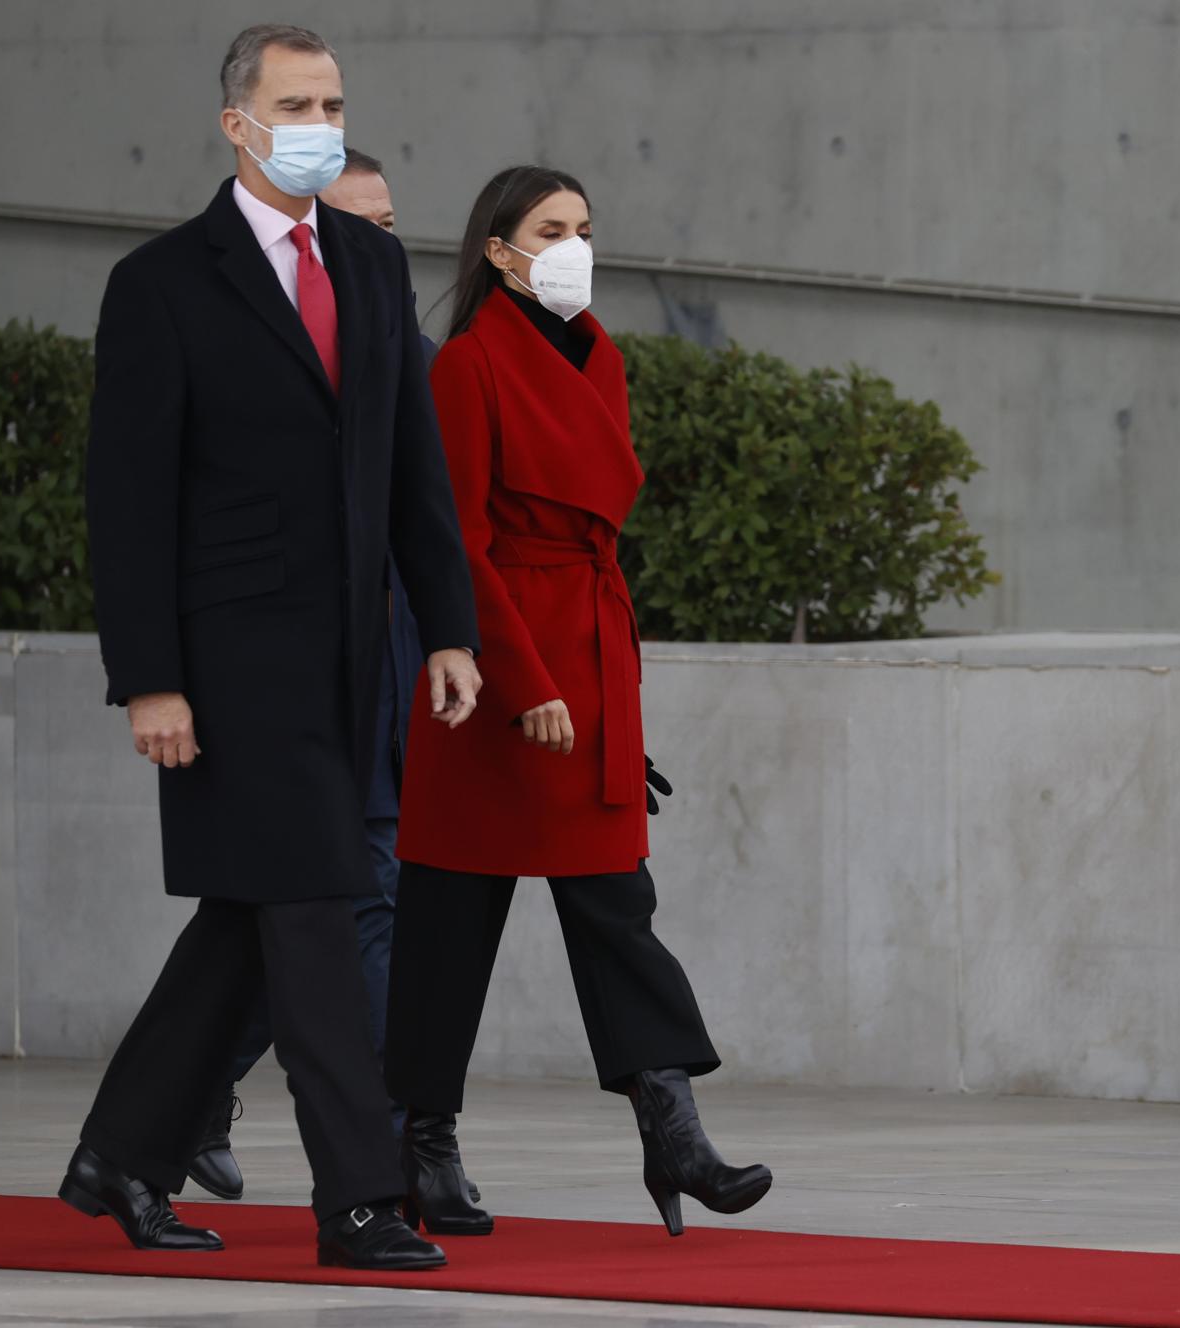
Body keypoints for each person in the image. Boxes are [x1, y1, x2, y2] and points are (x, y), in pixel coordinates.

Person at [62, 24, 482, 1272]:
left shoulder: (363, 258)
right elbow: (125, 500)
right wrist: (148, 675)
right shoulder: (161, 284)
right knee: (312, 911)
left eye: (333, 98)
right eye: (295, 100)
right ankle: (359, 1197)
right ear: (236, 122)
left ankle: (121, 1155)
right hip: (229, 665)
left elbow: (411, 467)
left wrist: (446, 627)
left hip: (353, 657)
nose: (320, 118)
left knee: (245, 920)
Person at [384, 165, 772, 1239]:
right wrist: (522, 680)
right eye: (549, 229)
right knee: (447, 930)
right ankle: (421, 1142)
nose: (572, 246)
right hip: (497, 682)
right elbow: (453, 545)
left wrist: (581, 683)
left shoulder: (601, 357)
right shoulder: (464, 368)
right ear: (497, 250)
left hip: (592, 664)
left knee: (617, 910)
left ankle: (674, 1132)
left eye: (584, 228)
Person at [184, 147, 450, 1203]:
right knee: (326, 900)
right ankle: (390, 1149)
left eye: (390, 224)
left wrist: (454, 647)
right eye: (356, 225)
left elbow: (433, 525)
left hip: (383, 666)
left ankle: (208, 1093)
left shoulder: (409, 355)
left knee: (333, 899)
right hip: (284, 673)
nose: (380, 244)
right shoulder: (247, 354)